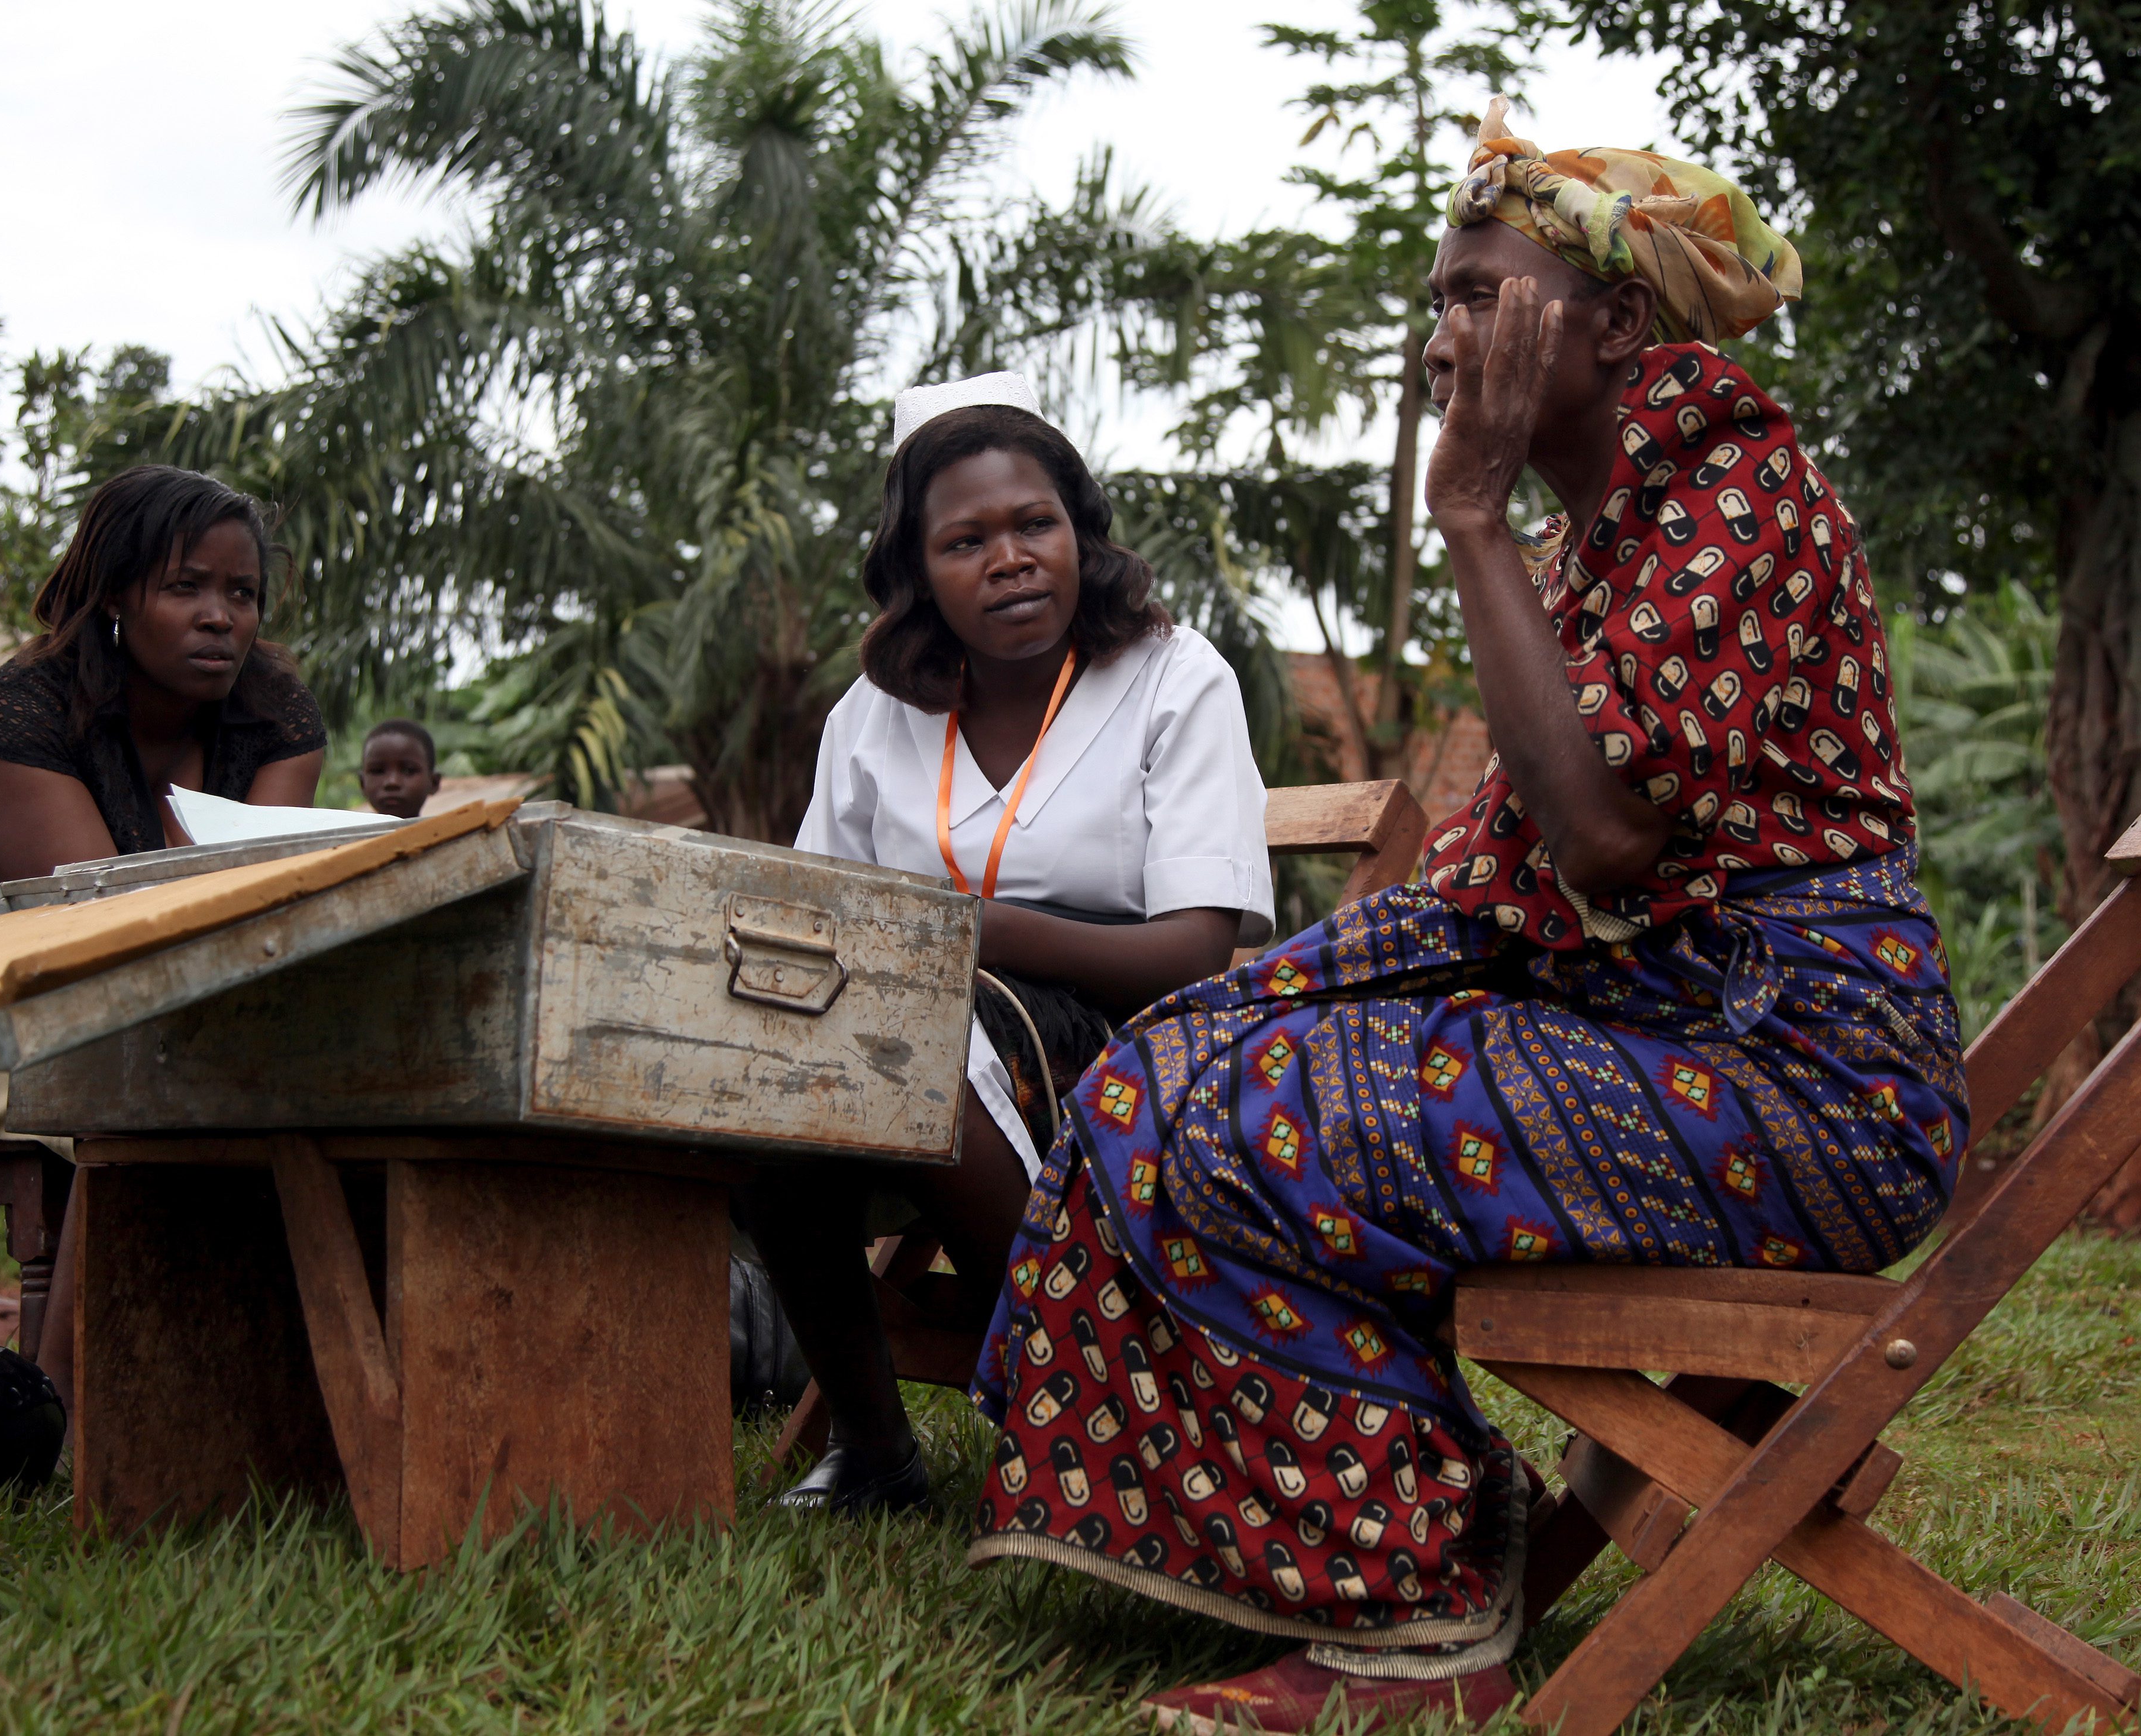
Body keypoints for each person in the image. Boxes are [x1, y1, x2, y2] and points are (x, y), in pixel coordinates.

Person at [968, 107, 1962, 1733]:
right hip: (1665, 1045)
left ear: (1621, 326)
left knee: (1242, 1113)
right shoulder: (1612, 542)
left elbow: (1600, 844)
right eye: (1438, 300)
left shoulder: (1745, 496)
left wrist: (1473, 518)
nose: (1441, 341)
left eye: (1478, 298)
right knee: (1169, 1068)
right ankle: (1428, 1536)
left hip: (1801, 1084)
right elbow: (1530, 875)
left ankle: (1422, 1607)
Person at [750, 372, 1275, 1516]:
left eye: (1035, 523)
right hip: (902, 1022)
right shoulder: (874, 716)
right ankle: (878, 1450)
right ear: (918, 572)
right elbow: (819, 908)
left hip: (1132, 1040)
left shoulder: (1172, 678)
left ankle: (1097, 1415)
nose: (1010, 557)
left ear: (1079, 531)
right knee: (765, 1074)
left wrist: (965, 932)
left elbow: (1194, 949)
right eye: (965, 539)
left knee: (921, 1034)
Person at [0, 464, 327, 1399]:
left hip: (165, 1021)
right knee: (148, 1082)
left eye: (241, 592)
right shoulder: (24, 710)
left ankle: (259, 1387)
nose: (221, 616)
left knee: (264, 1076)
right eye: (185, 586)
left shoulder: (274, 714)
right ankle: (72, 1403)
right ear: (119, 593)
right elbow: (97, 934)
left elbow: (270, 907)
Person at [359, 718, 443, 818]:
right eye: (378, 771)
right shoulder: (346, 833)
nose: (392, 782)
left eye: (408, 771)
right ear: (362, 783)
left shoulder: (450, 833)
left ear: (434, 782)